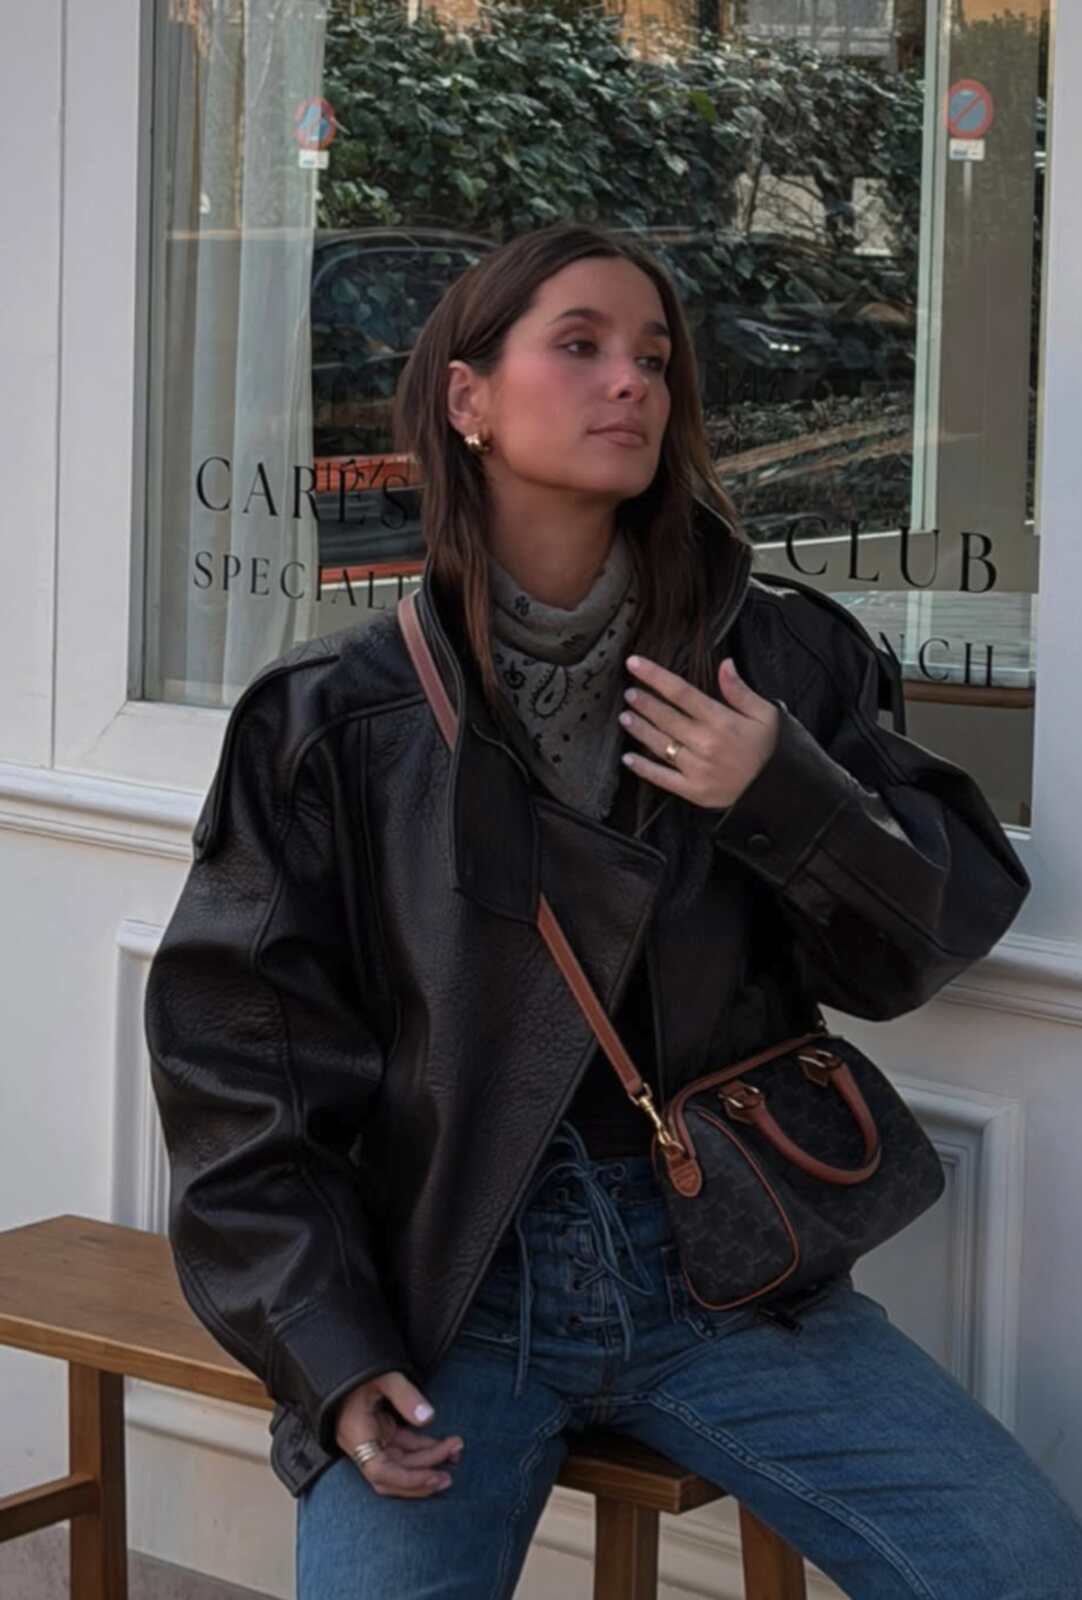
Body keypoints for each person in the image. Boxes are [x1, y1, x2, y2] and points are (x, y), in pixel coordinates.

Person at [145, 220, 1082, 1599]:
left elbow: (921, 943)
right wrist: (333, 1357)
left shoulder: (780, 656)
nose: (629, 382)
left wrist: (781, 791)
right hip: (451, 1283)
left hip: (730, 1271)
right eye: (577, 346)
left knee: (1019, 1570)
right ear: (467, 400)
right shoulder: (331, 718)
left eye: (651, 356)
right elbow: (241, 1070)